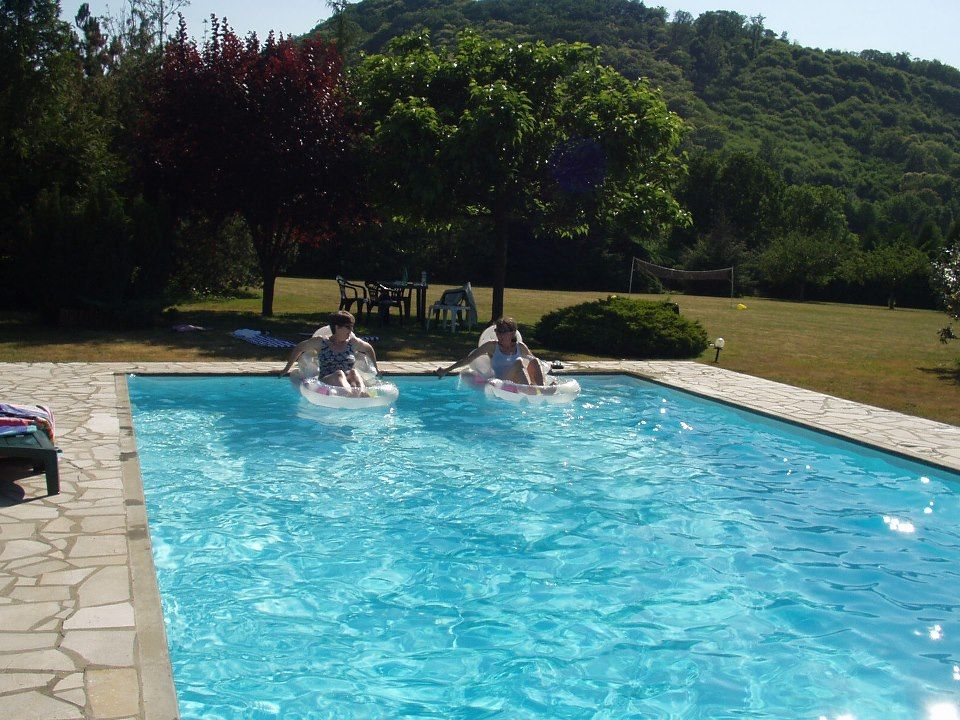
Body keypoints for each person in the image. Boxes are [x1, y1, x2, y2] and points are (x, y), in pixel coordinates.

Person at [280, 311, 378, 396]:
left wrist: (376, 367)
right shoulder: (321, 342)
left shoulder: (353, 343)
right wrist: (286, 369)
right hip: (326, 380)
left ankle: (362, 393)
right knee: (339, 373)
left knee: (353, 372)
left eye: (352, 327)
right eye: (348, 327)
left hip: (347, 378)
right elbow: (299, 348)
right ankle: (349, 394)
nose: (351, 330)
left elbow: (368, 349)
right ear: (337, 327)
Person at [435, 316, 544, 385]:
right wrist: (446, 370)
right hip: (501, 382)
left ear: (512, 333)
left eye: (503, 331)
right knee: (519, 362)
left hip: (518, 381)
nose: (499, 334)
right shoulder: (492, 346)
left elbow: (535, 364)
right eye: (498, 331)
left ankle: (543, 389)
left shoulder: (520, 347)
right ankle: (528, 389)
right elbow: (469, 359)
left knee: (534, 361)